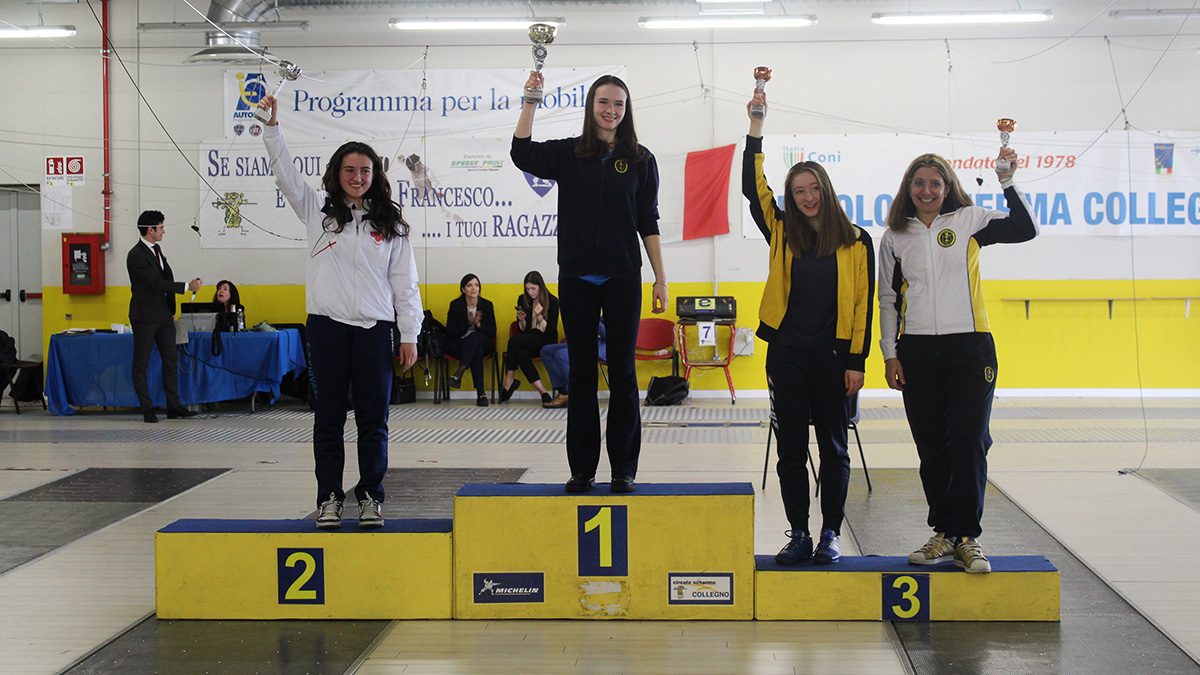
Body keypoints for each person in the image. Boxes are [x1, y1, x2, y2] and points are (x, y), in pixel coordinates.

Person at [260, 94, 422, 531]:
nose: (357, 177)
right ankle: (329, 498)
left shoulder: (392, 225)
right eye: (349, 170)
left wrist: (409, 334)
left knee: (374, 421)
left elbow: (405, 284)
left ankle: (370, 498)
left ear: (375, 175)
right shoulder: (317, 212)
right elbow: (285, 174)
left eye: (365, 170)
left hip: (375, 332)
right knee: (328, 419)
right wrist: (273, 129)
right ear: (336, 174)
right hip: (326, 329)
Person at [879, 148, 1038, 574]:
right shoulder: (895, 236)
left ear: (948, 187)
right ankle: (945, 533)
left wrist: (1007, 181)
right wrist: (890, 354)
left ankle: (968, 538)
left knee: (970, 441)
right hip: (917, 350)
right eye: (919, 183)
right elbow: (888, 299)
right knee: (932, 447)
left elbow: (1025, 229)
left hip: (970, 347)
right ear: (908, 188)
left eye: (935, 183)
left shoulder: (970, 220)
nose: (926, 190)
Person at [512, 72, 668, 494]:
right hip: (577, 277)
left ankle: (624, 469)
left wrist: (660, 278)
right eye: (603, 102)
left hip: (623, 278)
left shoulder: (641, 159)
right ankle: (582, 469)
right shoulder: (569, 153)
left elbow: (648, 219)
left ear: (626, 110)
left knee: (622, 372)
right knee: (581, 373)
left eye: (618, 104)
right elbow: (522, 153)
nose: (610, 110)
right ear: (591, 106)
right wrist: (530, 101)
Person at [742, 90, 874, 566]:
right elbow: (752, 186)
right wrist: (756, 127)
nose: (807, 197)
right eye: (798, 191)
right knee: (791, 450)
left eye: (814, 188)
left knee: (835, 449)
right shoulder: (780, 230)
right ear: (791, 198)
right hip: (788, 356)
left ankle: (830, 533)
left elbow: (863, 306)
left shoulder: (856, 241)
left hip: (834, 360)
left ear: (826, 190)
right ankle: (798, 532)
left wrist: (857, 361)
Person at [126, 210, 202, 424]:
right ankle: (147, 408)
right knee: (141, 364)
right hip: (144, 316)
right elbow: (155, 283)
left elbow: (166, 278)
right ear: (150, 229)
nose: (163, 232)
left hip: (163, 316)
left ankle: (174, 406)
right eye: (160, 228)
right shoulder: (136, 255)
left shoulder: (157, 251)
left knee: (170, 360)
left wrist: (171, 309)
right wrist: (187, 287)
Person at [500, 271, 559, 405]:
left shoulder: (553, 301)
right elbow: (524, 330)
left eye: (533, 288)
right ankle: (543, 392)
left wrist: (539, 317)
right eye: (527, 289)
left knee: (514, 341)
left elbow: (550, 331)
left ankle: (509, 378)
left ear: (540, 287)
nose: (530, 292)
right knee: (521, 354)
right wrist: (521, 320)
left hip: (546, 340)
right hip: (529, 338)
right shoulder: (523, 299)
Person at [446, 273, 497, 407]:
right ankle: (481, 394)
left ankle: (459, 373)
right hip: (460, 344)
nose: (473, 288)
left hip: (483, 341)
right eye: (469, 285)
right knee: (477, 351)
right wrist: (468, 323)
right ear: (463, 289)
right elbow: (450, 332)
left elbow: (492, 332)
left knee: (474, 337)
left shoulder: (487, 305)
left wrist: (478, 325)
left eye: (476, 285)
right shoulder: (456, 305)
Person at [540, 318, 607, 410]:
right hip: (587, 343)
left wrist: (593, 319)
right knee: (546, 351)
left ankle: (578, 392)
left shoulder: (619, 314)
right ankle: (563, 390)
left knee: (561, 355)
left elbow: (611, 336)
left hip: (605, 348)